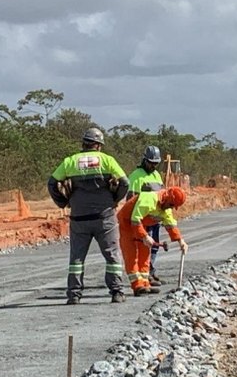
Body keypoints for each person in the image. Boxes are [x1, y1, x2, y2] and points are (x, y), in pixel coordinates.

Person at [47, 127, 130, 305]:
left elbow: (52, 182)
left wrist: (62, 202)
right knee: (112, 255)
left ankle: (74, 295)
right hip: (104, 217)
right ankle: (116, 292)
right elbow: (125, 182)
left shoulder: (70, 161)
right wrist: (114, 199)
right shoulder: (107, 160)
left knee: (76, 258)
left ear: (83, 143)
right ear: (99, 145)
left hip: (79, 218)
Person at [117, 186, 188, 296]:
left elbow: (170, 225)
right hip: (127, 223)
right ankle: (137, 285)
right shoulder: (148, 199)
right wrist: (145, 236)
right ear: (167, 197)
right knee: (131, 254)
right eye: (172, 205)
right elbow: (135, 220)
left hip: (142, 225)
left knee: (145, 253)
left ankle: (145, 283)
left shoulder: (166, 208)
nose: (172, 208)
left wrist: (181, 241)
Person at [127, 145, 166, 286]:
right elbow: (131, 199)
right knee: (145, 246)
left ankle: (151, 270)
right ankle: (145, 274)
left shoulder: (156, 175)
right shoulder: (136, 176)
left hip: (155, 218)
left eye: (156, 163)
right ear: (145, 160)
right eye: (151, 163)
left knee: (154, 245)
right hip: (143, 219)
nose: (153, 166)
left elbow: (162, 195)